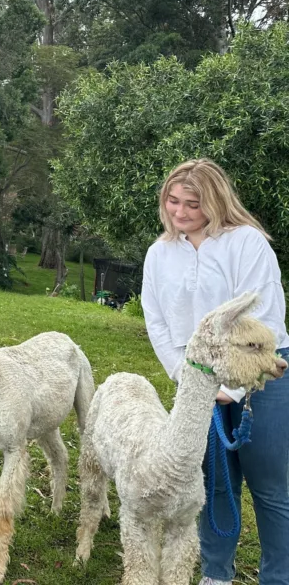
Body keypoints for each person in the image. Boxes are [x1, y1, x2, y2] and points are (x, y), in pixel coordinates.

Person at [140, 158, 289, 585]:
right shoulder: (159, 253)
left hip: (261, 381)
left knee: (269, 489)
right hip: (198, 384)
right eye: (173, 201)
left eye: (193, 204)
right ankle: (216, 574)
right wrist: (190, 379)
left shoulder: (247, 242)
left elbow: (267, 319)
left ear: (216, 201)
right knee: (212, 484)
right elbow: (156, 320)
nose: (180, 212)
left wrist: (232, 387)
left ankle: (277, 576)